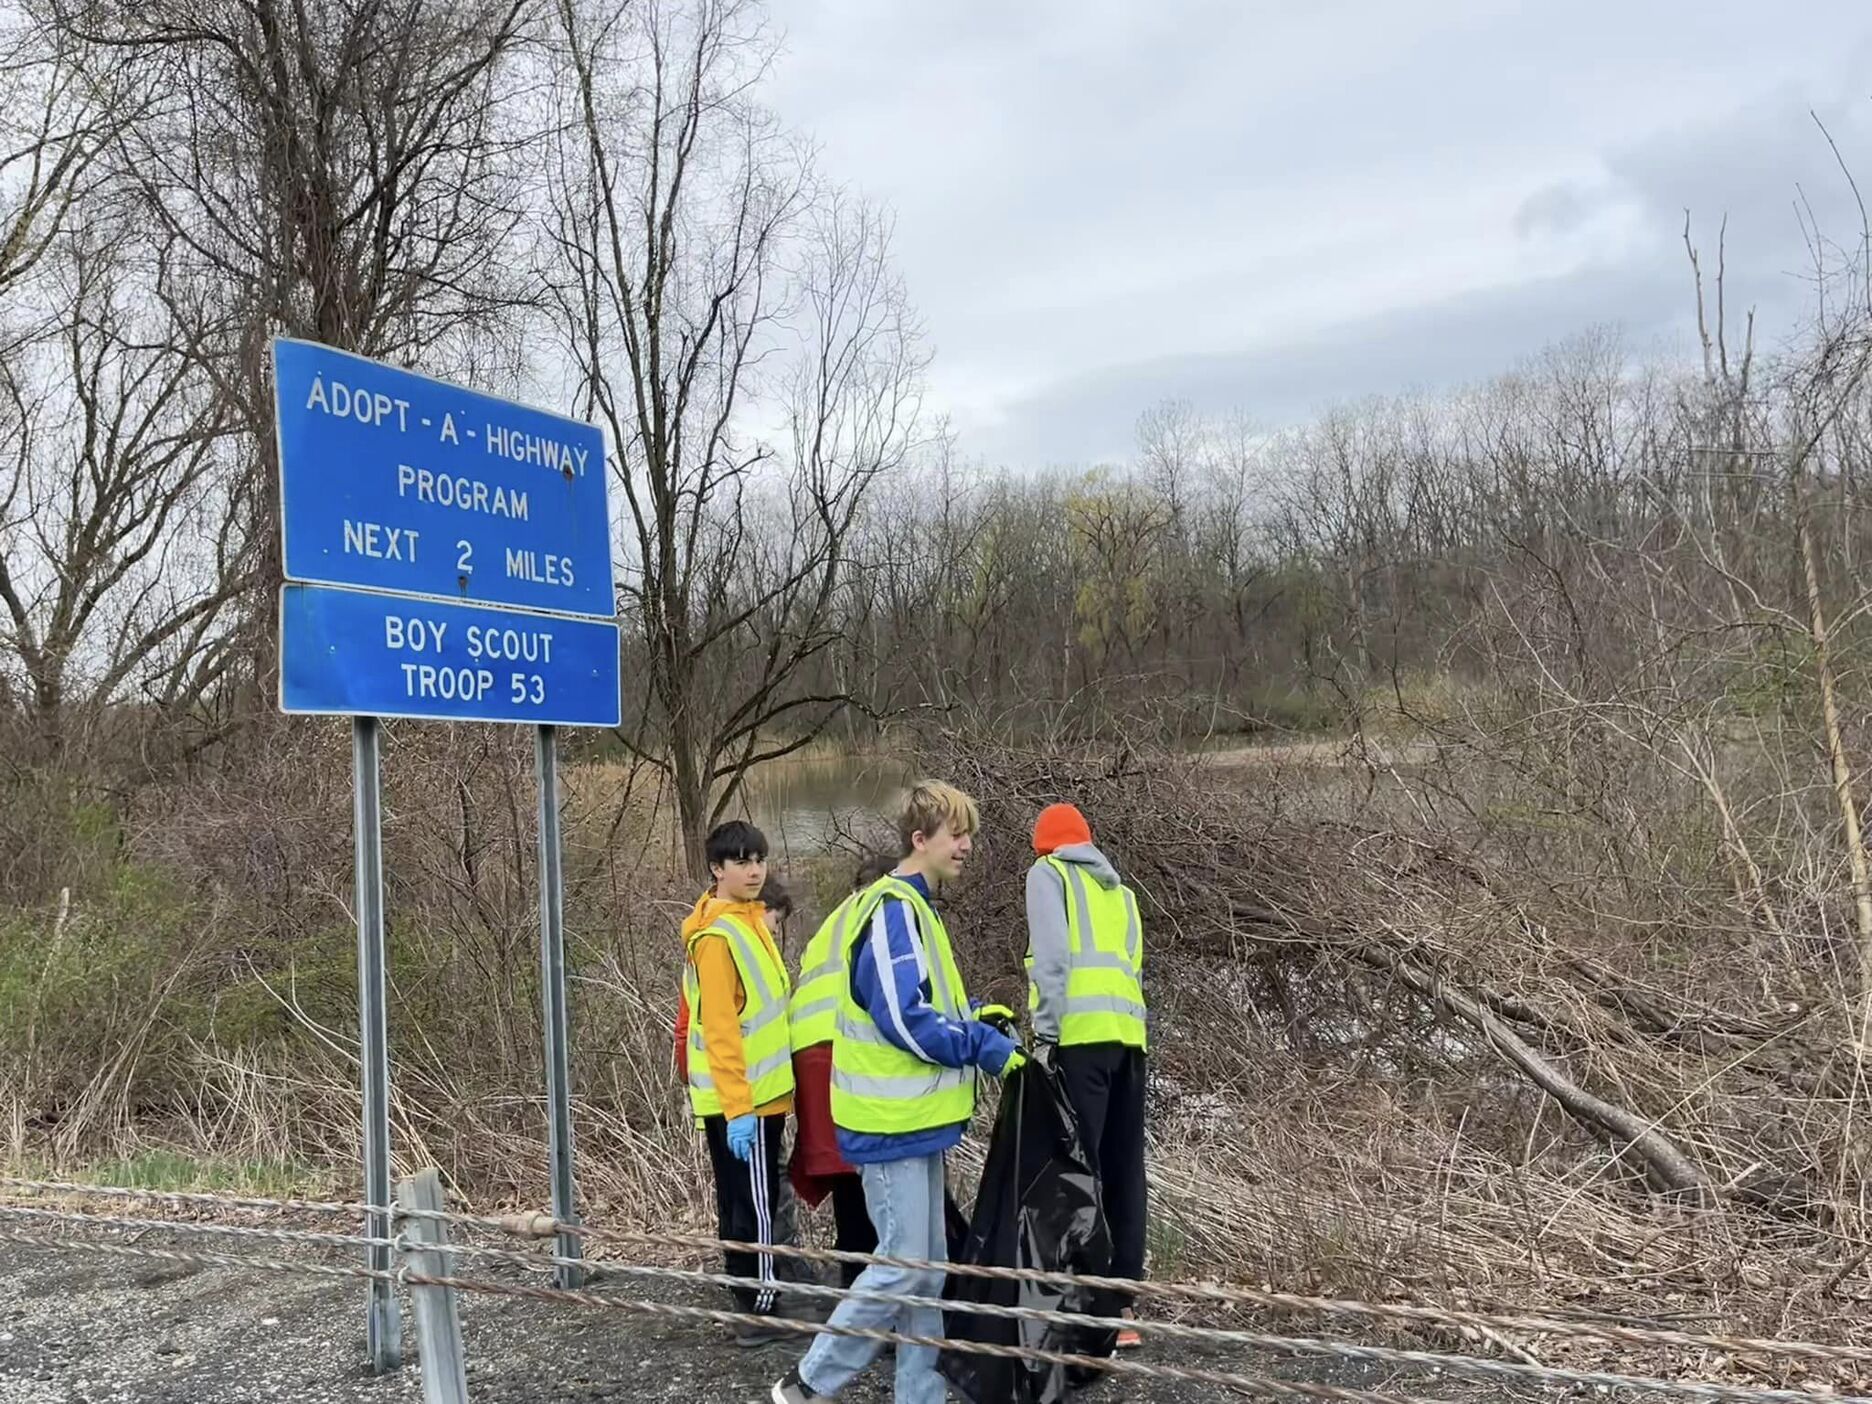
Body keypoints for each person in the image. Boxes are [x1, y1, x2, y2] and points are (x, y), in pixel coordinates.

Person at [770, 781, 1025, 1404]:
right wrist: (983, 1049)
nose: (966, 846)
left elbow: (928, 1008)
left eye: (969, 833)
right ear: (921, 840)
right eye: (955, 834)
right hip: (888, 1124)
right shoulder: (891, 910)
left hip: (915, 1120)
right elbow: (904, 1018)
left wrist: (977, 1022)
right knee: (900, 1265)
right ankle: (808, 1383)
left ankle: (921, 1394)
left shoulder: (916, 911)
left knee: (925, 1270)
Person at [1024, 802, 1149, 1350]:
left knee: (1082, 1169)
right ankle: (1120, 1307)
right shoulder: (1120, 892)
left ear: (1046, 845)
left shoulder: (1046, 875)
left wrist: (1046, 1035)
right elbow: (1134, 967)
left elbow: (1052, 960)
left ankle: (1087, 1309)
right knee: (1125, 1168)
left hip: (1078, 1042)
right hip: (1129, 1042)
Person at [678, 820, 800, 1348]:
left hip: (759, 1095)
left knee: (743, 1199)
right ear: (717, 869)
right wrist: (739, 1109)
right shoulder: (720, 937)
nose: (754, 871)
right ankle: (760, 1309)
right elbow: (723, 1031)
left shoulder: (747, 921)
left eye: (760, 860)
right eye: (742, 862)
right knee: (753, 1203)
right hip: (745, 1100)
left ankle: (749, 1295)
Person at [785, 857, 893, 1288]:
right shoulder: (882, 914)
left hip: (810, 1055)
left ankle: (857, 1281)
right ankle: (867, 1290)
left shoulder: (833, 922)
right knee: (869, 1175)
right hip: (843, 1052)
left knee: (850, 1176)